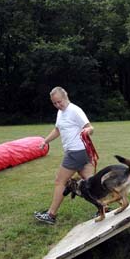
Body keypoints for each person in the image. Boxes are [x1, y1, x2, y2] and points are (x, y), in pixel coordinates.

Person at [34, 87, 94, 225]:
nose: (57, 105)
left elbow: (90, 127)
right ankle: (105, 207)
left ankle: (51, 215)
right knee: (90, 182)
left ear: (66, 97)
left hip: (76, 151)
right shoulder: (60, 112)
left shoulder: (75, 110)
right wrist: (45, 141)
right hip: (80, 153)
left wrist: (87, 131)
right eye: (54, 103)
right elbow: (57, 129)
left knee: (60, 181)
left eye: (59, 102)